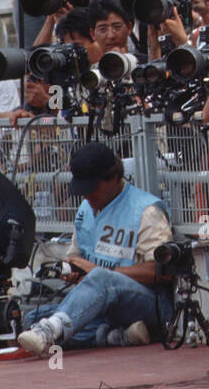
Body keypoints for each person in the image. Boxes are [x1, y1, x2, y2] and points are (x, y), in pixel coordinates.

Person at [18, 144, 173, 355]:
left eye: (91, 188)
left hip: (149, 304)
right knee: (31, 319)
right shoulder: (85, 208)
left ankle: (52, 331)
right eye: (82, 190)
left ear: (113, 178)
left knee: (101, 278)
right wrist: (73, 271)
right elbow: (75, 257)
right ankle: (115, 337)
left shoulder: (146, 210)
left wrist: (95, 272)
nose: (86, 196)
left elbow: (162, 272)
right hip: (101, 306)